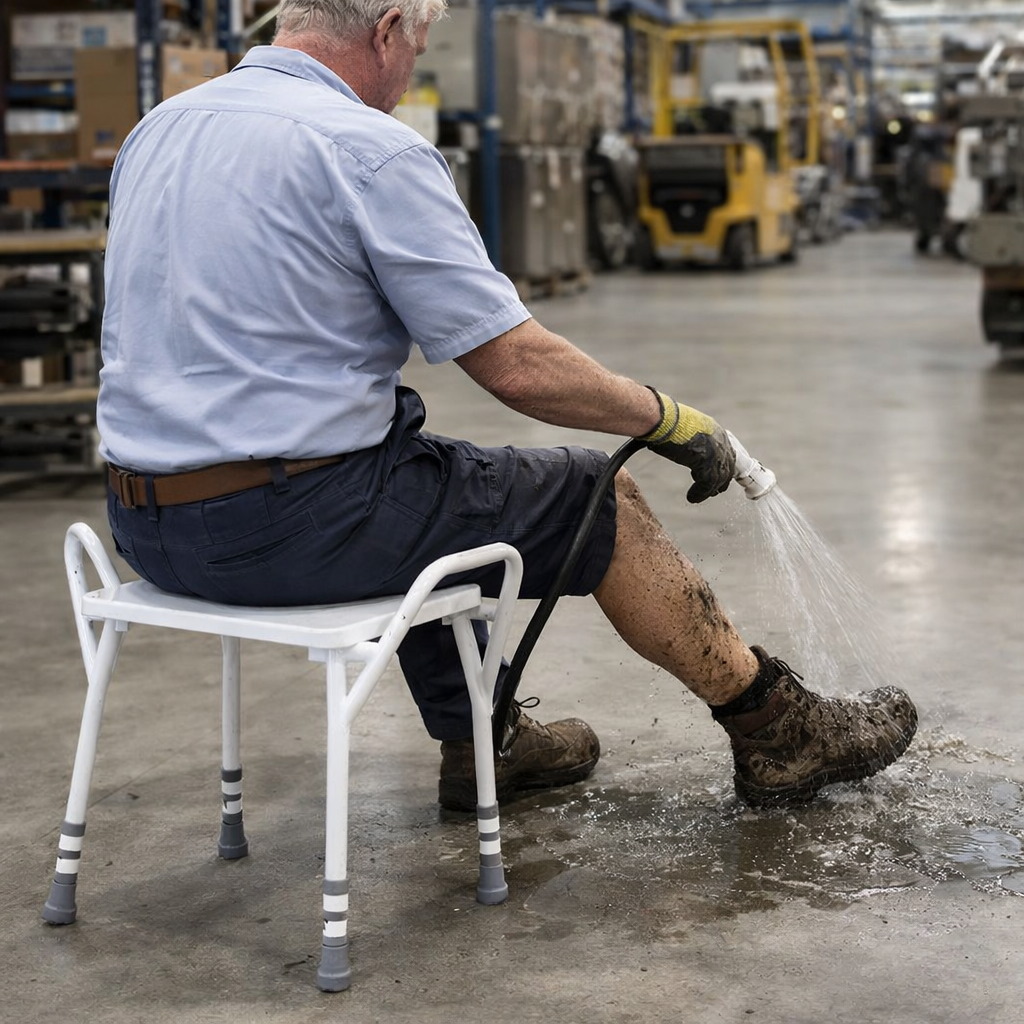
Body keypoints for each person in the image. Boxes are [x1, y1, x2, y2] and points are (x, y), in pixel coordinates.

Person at [97, 0, 917, 814]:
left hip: (146, 531)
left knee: (430, 481)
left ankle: (484, 742)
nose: (409, 74)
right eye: (417, 49)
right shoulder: (367, 150)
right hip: (294, 531)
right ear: (386, 29)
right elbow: (518, 368)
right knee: (600, 497)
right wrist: (664, 417)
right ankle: (776, 729)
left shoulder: (160, 129)